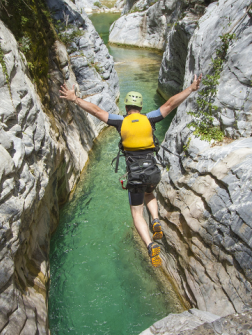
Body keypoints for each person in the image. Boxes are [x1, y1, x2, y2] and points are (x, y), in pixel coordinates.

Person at [59, 75, 202, 267]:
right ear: (141, 108)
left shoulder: (120, 121)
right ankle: (156, 220)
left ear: (126, 108)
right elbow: (170, 104)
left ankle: (150, 245)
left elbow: (96, 111)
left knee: (136, 214)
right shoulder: (150, 119)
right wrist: (191, 88)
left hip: (135, 176)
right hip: (152, 172)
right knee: (149, 193)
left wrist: (75, 99)